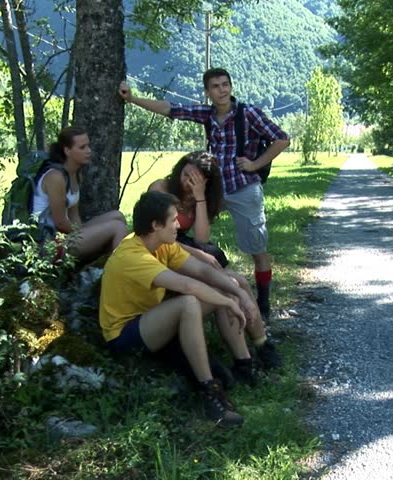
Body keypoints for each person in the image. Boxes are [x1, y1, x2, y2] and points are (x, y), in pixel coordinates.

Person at [118, 68, 290, 320]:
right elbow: (171, 109)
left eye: (225, 85)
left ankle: (263, 303)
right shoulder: (207, 114)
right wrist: (132, 99)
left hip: (244, 187)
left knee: (257, 247)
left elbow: (281, 139)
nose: (222, 90)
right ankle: (170, 271)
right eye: (215, 86)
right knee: (187, 230)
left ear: (231, 87)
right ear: (208, 92)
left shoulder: (248, 113)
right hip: (214, 189)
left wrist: (254, 164)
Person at [99, 191, 268, 427]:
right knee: (190, 302)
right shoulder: (132, 254)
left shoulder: (162, 244)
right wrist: (230, 302)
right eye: (173, 220)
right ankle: (210, 393)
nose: (179, 224)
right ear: (156, 225)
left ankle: (245, 364)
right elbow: (186, 285)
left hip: (152, 319)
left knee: (224, 289)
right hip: (124, 335)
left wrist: (238, 293)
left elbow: (202, 272)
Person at [149, 151, 283, 372]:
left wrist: (199, 196)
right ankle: (245, 361)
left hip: (184, 245)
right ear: (178, 169)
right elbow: (157, 237)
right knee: (228, 288)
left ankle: (262, 344)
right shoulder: (161, 188)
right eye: (185, 175)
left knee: (240, 282)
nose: (187, 181)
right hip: (163, 248)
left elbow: (202, 237)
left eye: (195, 178)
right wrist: (199, 254)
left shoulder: (200, 196)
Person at [33, 126, 128, 261]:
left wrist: (88, 234)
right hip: (49, 243)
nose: (88, 151)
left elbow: (74, 215)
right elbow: (60, 223)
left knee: (117, 216)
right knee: (117, 227)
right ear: (67, 150)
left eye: (88, 146)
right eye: (82, 148)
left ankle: (107, 265)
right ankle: (120, 274)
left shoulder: (75, 174)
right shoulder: (55, 177)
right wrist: (84, 234)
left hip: (65, 235)